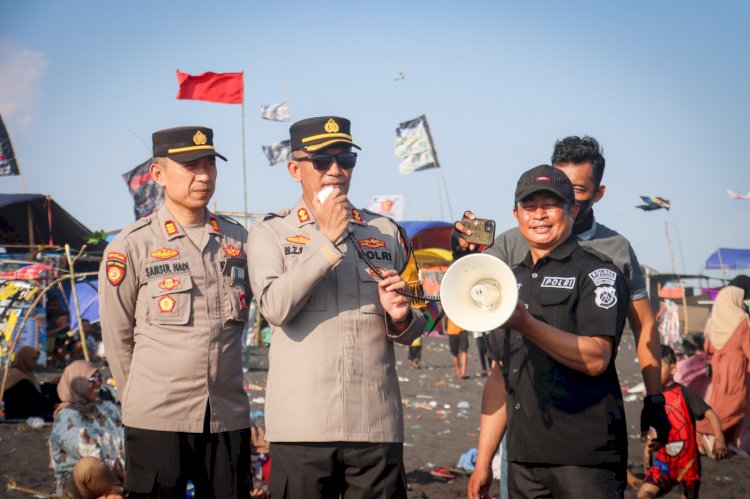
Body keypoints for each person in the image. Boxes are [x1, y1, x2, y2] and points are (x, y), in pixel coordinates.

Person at [460, 137, 670, 496]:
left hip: (583, 446)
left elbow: (636, 330)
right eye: (532, 205)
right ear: (517, 213)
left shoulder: (610, 256)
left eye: (566, 195)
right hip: (525, 449)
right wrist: (484, 461)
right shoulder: (513, 250)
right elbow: (499, 364)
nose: (540, 214)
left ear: (583, 201)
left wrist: (655, 398)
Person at [247, 116, 425, 498]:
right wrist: (326, 241)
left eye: (346, 160)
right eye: (322, 161)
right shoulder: (269, 233)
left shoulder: (386, 231)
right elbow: (274, 308)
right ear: (295, 168)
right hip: (302, 428)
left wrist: (401, 316)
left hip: (374, 425)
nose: (335, 171)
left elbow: (418, 320)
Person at [99, 126, 253, 497]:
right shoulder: (132, 246)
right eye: (189, 165)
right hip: (158, 417)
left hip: (226, 415)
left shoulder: (240, 241)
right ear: (158, 174)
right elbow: (118, 338)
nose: (203, 175)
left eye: (209, 165)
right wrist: (138, 399)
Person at [638, 346, 726, 499]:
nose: (654, 374)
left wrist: (719, 439)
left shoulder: (684, 393)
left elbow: (710, 414)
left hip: (688, 464)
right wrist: (647, 451)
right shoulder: (654, 399)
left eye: (659, 368)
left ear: (672, 369)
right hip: (664, 463)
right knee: (643, 494)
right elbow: (655, 429)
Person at [49, 361, 125, 495]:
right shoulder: (66, 417)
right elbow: (87, 449)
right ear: (78, 384)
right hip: (84, 484)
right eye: (92, 379)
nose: (98, 383)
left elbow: (125, 436)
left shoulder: (106, 408)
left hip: (117, 476)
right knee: (88, 466)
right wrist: (116, 468)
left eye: (99, 378)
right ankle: (123, 492)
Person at [695, 275, 750, 454]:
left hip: (718, 370)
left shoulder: (713, 322)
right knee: (734, 406)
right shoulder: (741, 319)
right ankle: (701, 431)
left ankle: (726, 443)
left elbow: (707, 347)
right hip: (736, 370)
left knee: (719, 404)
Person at [2, 346, 57, 421]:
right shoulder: (19, 376)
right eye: (33, 360)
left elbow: (33, 390)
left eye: (36, 360)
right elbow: (35, 397)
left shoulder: (23, 373)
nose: (35, 363)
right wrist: (54, 406)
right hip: (20, 414)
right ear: (24, 359)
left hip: (23, 411)